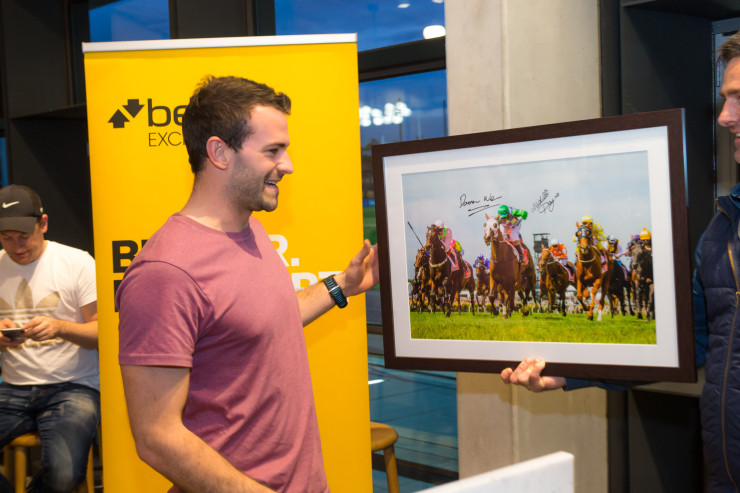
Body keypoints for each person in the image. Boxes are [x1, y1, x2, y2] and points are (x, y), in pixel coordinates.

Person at [500, 31, 740, 492]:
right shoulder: (721, 231)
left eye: (739, 98)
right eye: (725, 99)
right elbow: (683, 345)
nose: (725, 117)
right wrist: (566, 371)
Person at [115, 75, 379, 493]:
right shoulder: (165, 273)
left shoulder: (251, 228)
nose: (288, 165)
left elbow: (262, 320)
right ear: (219, 152)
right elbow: (157, 437)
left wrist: (341, 286)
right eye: (273, 151)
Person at [0, 184, 99, 493]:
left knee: (64, 474)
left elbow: (104, 334)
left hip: (74, 387)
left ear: (42, 223)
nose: (16, 247)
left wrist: (60, 328)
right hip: (12, 387)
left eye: (23, 236)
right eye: (6, 238)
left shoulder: (77, 263)